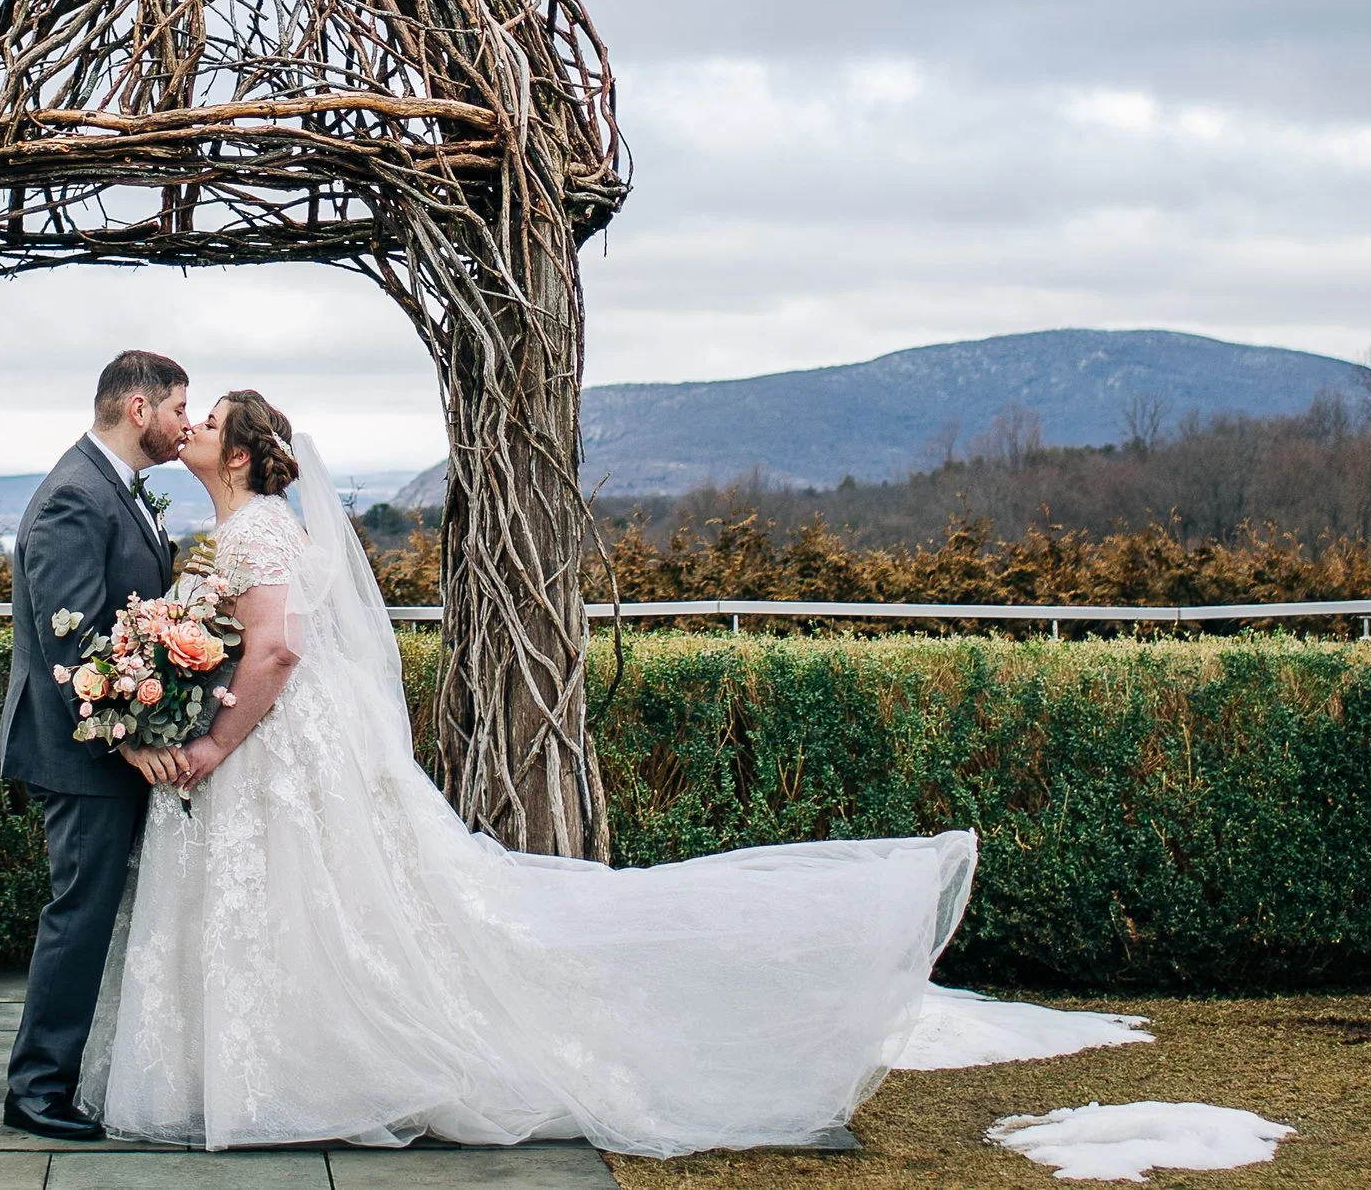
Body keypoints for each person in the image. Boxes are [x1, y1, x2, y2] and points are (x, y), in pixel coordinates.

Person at [78, 390, 979, 1157]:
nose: (188, 429)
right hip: (283, 743)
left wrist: (206, 746)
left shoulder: (255, 536)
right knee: (313, 906)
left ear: (237, 457)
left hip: (273, 747)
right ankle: (281, 1063)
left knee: (321, 903)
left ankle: (307, 1068)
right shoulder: (247, 526)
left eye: (209, 422)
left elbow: (274, 654)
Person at [0, 349, 192, 1141]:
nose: (187, 422)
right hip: (80, 756)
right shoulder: (76, 498)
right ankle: (36, 1089)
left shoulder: (114, 486)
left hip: (102, 747)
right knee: (79, 913)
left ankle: (80, 1072)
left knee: (99, 912)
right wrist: (131, 743)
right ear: (138, 409)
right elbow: (70, 647)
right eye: (180, 407)